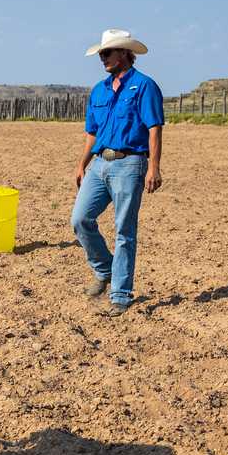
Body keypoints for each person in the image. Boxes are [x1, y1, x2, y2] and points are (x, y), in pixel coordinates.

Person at [70, 28, 165, 317]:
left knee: (125, 231)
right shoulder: (99, 90)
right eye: (101, 53)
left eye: (107, 52)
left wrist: (154, 167)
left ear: (124, 53)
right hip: (99, 164)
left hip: (130, 164)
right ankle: (105, 269)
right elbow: (92, 132)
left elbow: (154, 128)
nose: (102, 57)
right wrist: (81, 164)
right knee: (80, 219)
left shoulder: (144, 86)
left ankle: (120, 294)